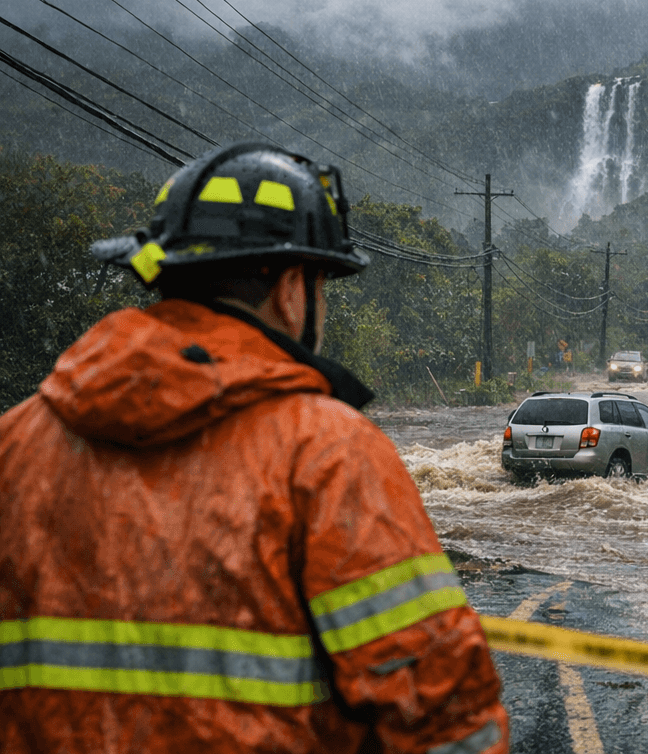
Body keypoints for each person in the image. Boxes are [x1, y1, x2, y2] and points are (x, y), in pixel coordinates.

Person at [0, 143, 508, 754]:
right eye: (322, 286)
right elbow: (445, 714)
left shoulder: (14, 444)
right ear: (292, 290)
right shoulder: (327, 452)